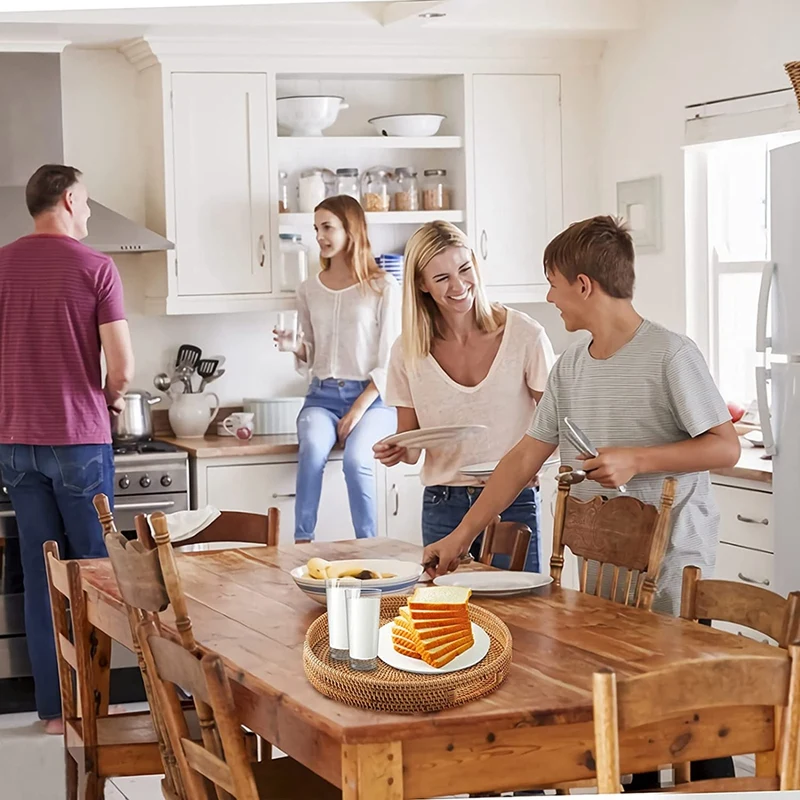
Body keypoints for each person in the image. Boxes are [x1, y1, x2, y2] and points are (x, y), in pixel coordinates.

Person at [420, 214, 741, 788]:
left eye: (554, 283)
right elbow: (522, 459)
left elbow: (725, 447)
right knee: (629, 728)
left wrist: (638, 459)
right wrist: (458, 538)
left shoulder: (671, 354)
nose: (549, 297)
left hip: (671, 568)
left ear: (584, 285)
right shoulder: (571, 366)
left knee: (690, 719)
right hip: (606, 572)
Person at [0, 164, 134, 734]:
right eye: (86, 202)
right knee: (95, 573)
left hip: (13, 443)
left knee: (39, 571)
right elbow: (122, 367)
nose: (88, 212)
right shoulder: (96, 267)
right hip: (78, 438)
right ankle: (93, 707)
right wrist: (110, 398)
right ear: (70, 199)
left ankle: (55, 712)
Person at [373, 221, 555, 572]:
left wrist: (535, 467)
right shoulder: (408, 351)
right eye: (441, 278)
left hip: (513, 501)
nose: (459, 286)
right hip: (444, 503)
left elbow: (554, 423)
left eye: (464, 269)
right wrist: (396, 449)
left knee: (523, 619)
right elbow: (411, 447)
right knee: (447, 617)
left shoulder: (524, 335)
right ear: (421, 286)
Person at [275, 195, 400, 542]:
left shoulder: (382, 287)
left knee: (356, 461)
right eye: (317, 229)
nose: (320, 236)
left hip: (374, 400)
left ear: (351, 229)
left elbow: (391, 358)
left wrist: (357, 411)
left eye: (327, 227)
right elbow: (312, 353)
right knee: (312, 452)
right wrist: (294, 345)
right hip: (322, 397)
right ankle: (302, 542)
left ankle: (369, 545)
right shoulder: (309, 289)